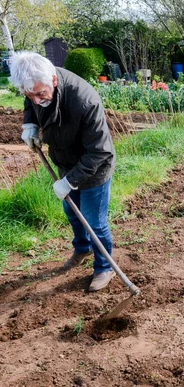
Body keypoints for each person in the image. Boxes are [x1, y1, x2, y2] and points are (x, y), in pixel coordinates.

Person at [8, 51, 116, 292]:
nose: (35, 100)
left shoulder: (84, 101)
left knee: (94, 221)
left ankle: (103, 267)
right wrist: (30, 124)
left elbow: (100, 152)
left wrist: (70, 181)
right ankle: (82, 248)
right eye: (29, 95)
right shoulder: (36, 86)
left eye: (40, 94)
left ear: (54, 81)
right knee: (71, 210)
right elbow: (31, 101)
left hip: (94, 167)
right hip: (65, 159)